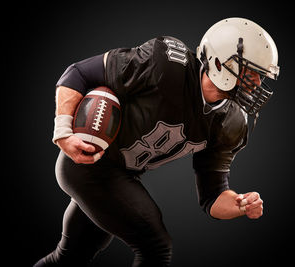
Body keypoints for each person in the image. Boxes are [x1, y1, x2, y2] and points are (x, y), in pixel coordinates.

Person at [34, 17, 280, 267]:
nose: (257, 84)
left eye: (260, 76)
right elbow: (78, 73)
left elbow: (212, 196)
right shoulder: (166, 64)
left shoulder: (232, 121)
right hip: (87, 166)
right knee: (155, 245)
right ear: (219, 62)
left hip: (120, 176)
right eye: (251, 73)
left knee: (69, 258)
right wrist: (64, 132)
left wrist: (239, 205)